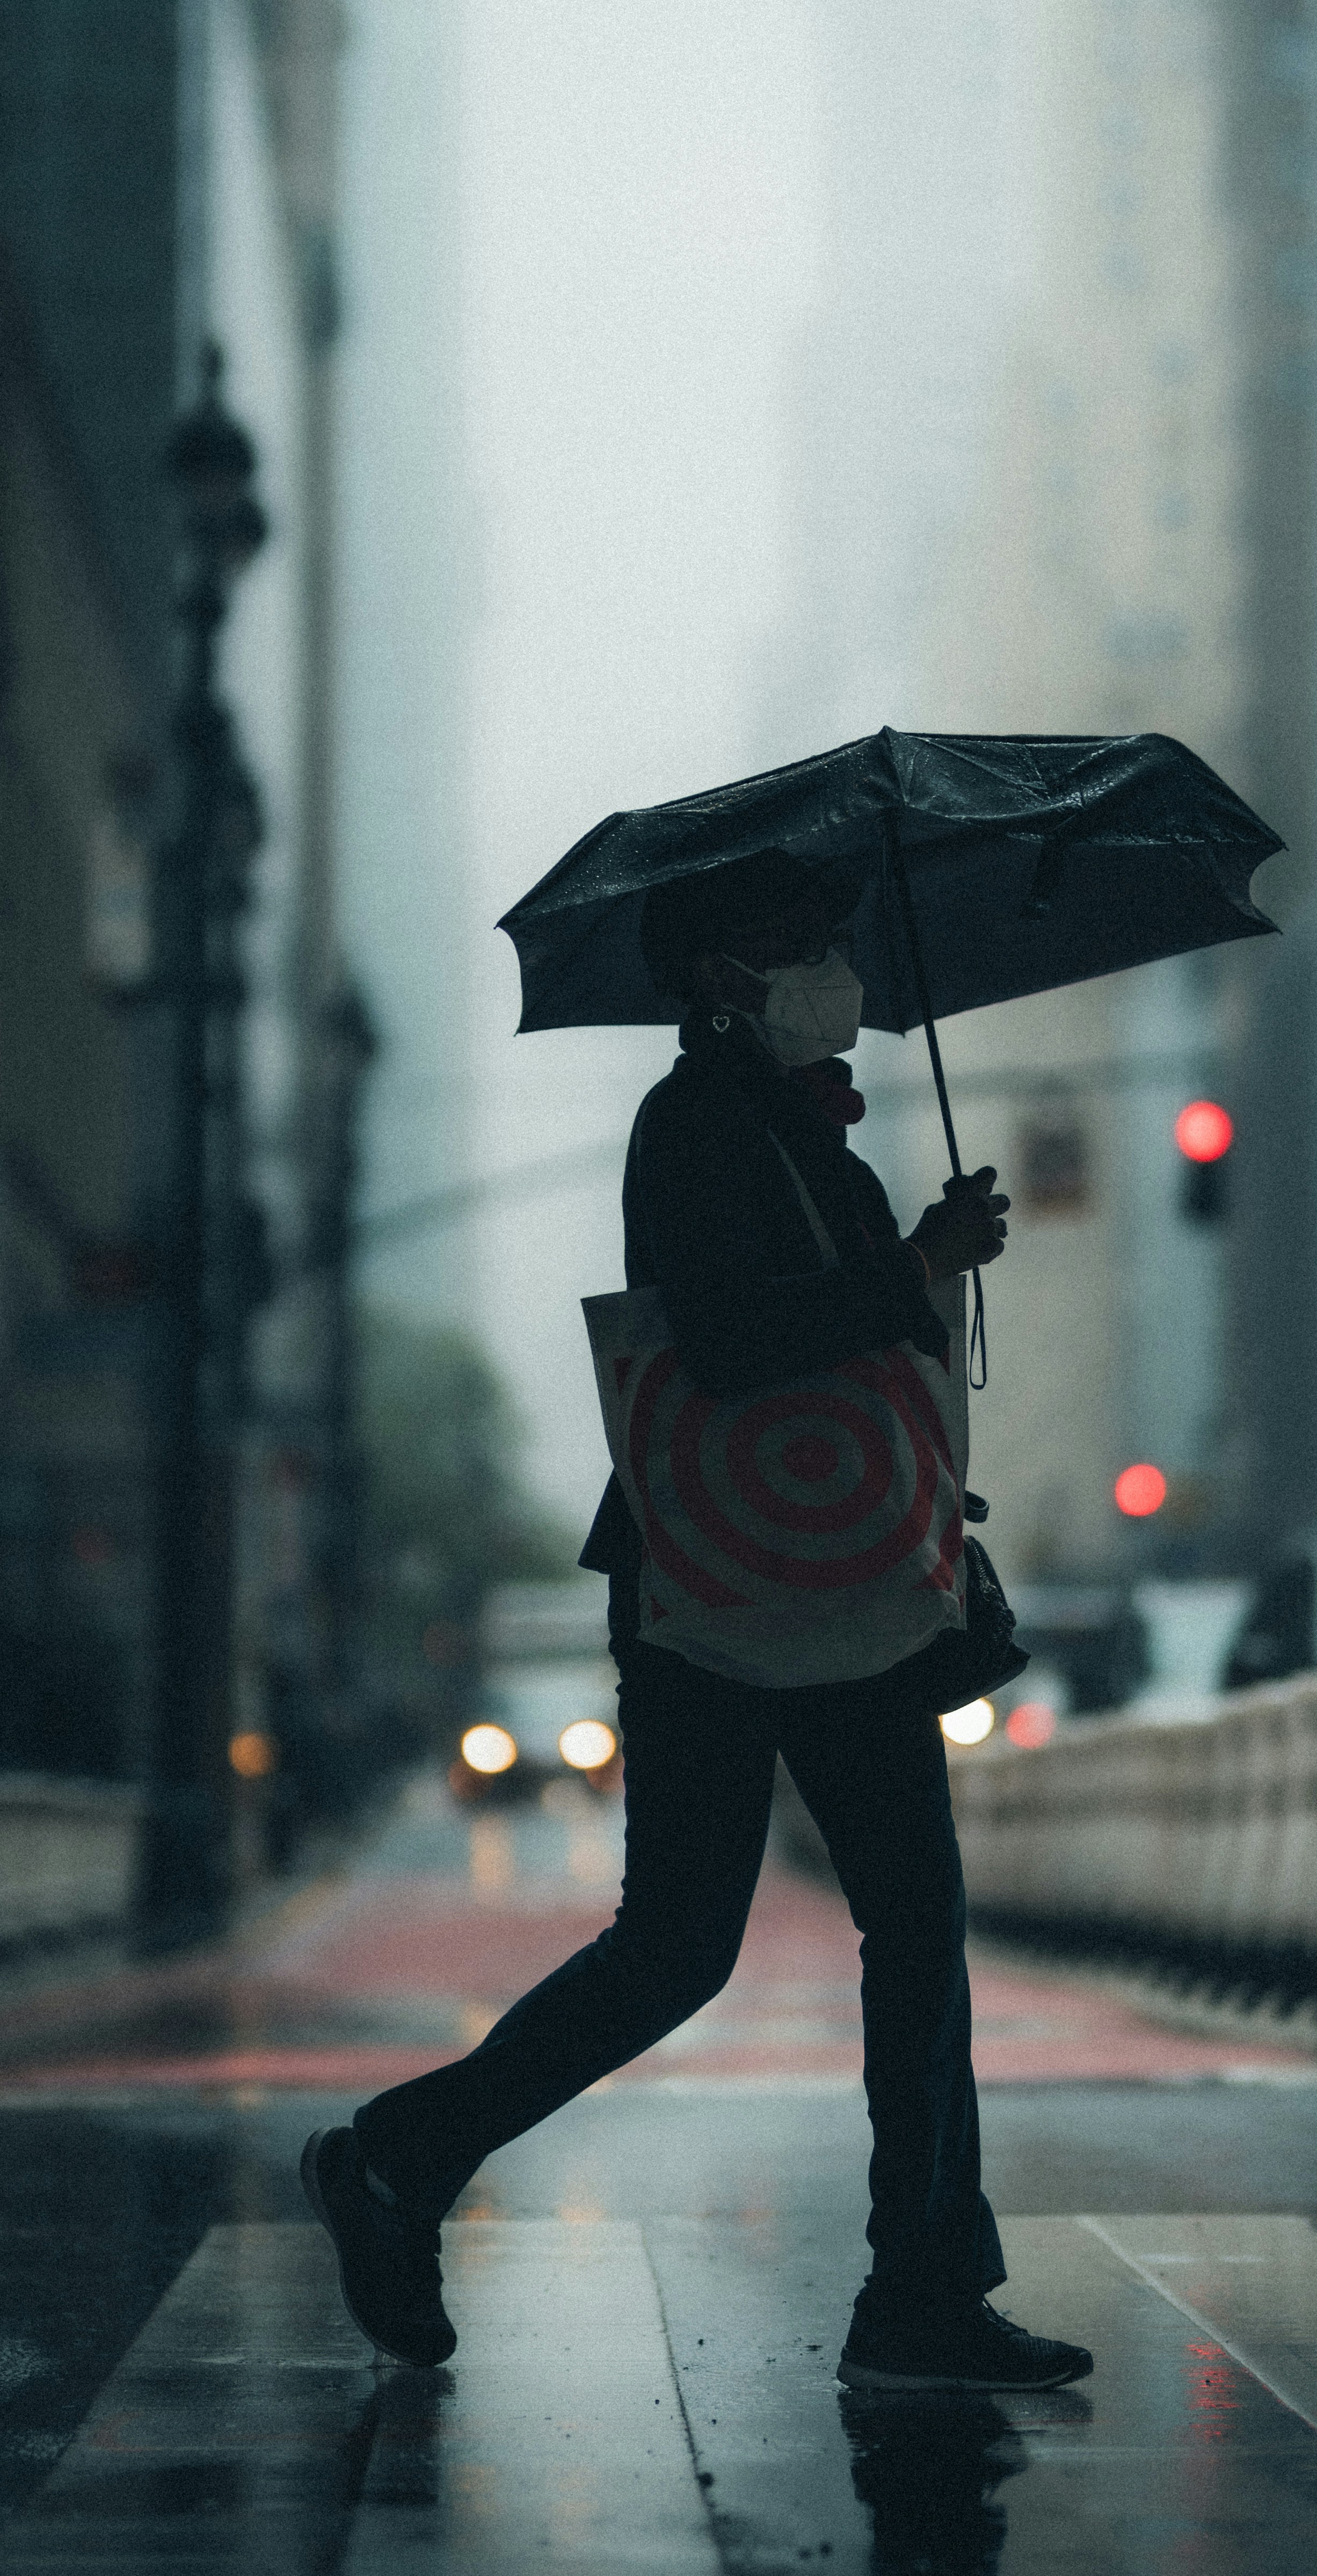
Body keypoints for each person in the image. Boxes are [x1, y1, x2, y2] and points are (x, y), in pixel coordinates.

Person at [302, 848, 1093, 2394]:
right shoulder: (693, 1127)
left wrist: (918, 1277)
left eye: (832, 936)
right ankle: (403, 2156)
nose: (830, 970)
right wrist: (909, 1267)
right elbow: (730, 1350)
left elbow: (843, 1370)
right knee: (689, 1946)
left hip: (823, 1590)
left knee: (888, 1928)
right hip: (722, 1597)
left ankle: (920, 2285)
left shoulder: (805, 1136)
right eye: (795, 942)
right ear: (715, 975)